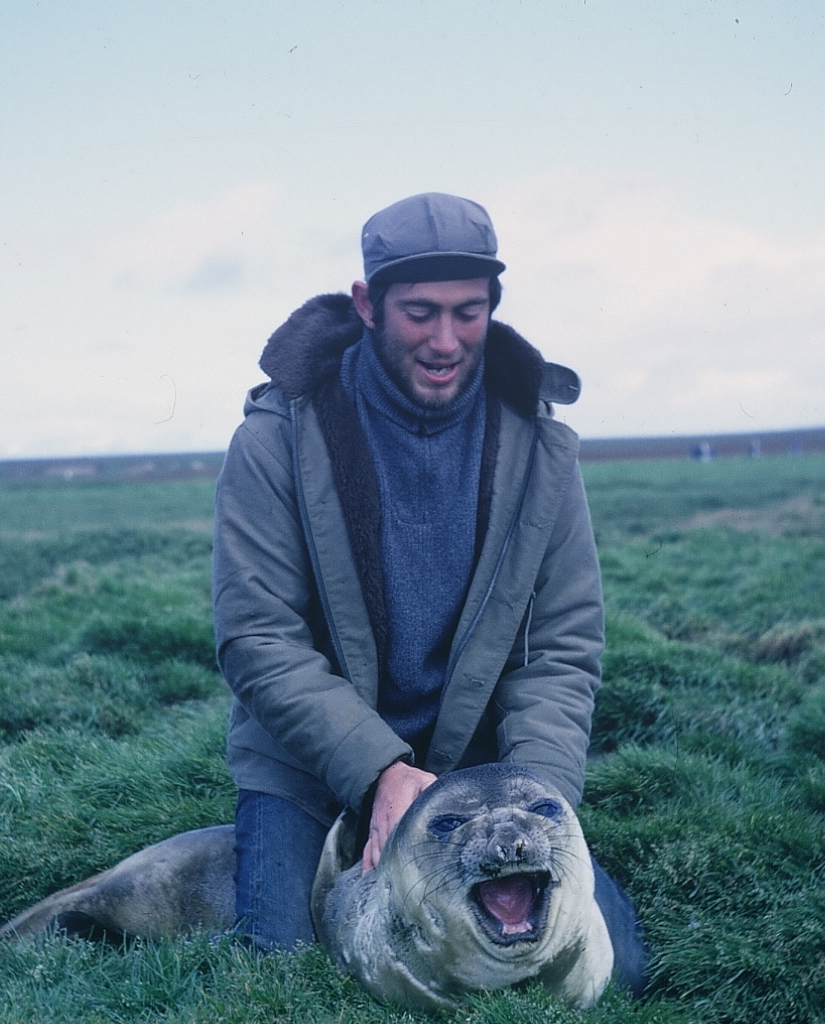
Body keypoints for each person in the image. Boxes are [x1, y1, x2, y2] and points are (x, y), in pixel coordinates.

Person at [212, 192, 645, 990]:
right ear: (367, 304)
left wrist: (536, 795)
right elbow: (255, 637)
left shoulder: (542, 448)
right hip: (310, 769)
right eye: (419, 312)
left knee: (618, 977)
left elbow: (563, 642)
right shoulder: (274, 439)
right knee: (288, 972)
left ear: (493, 307)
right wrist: (380, 772)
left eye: (467, 312)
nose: (446, 340)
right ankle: (265, 842)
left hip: (478, 769)